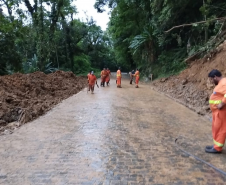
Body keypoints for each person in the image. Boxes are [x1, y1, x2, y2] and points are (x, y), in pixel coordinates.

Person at [206, 69, 226, 153]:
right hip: (217, 111)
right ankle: (216, 145)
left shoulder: (224, 83)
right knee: (216, 128)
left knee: (220, 128)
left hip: (221, 111)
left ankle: (217, 148)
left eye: (211, 79)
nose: (211, 81)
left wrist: (222, 103)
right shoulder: (221, 83)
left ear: (215, 77)